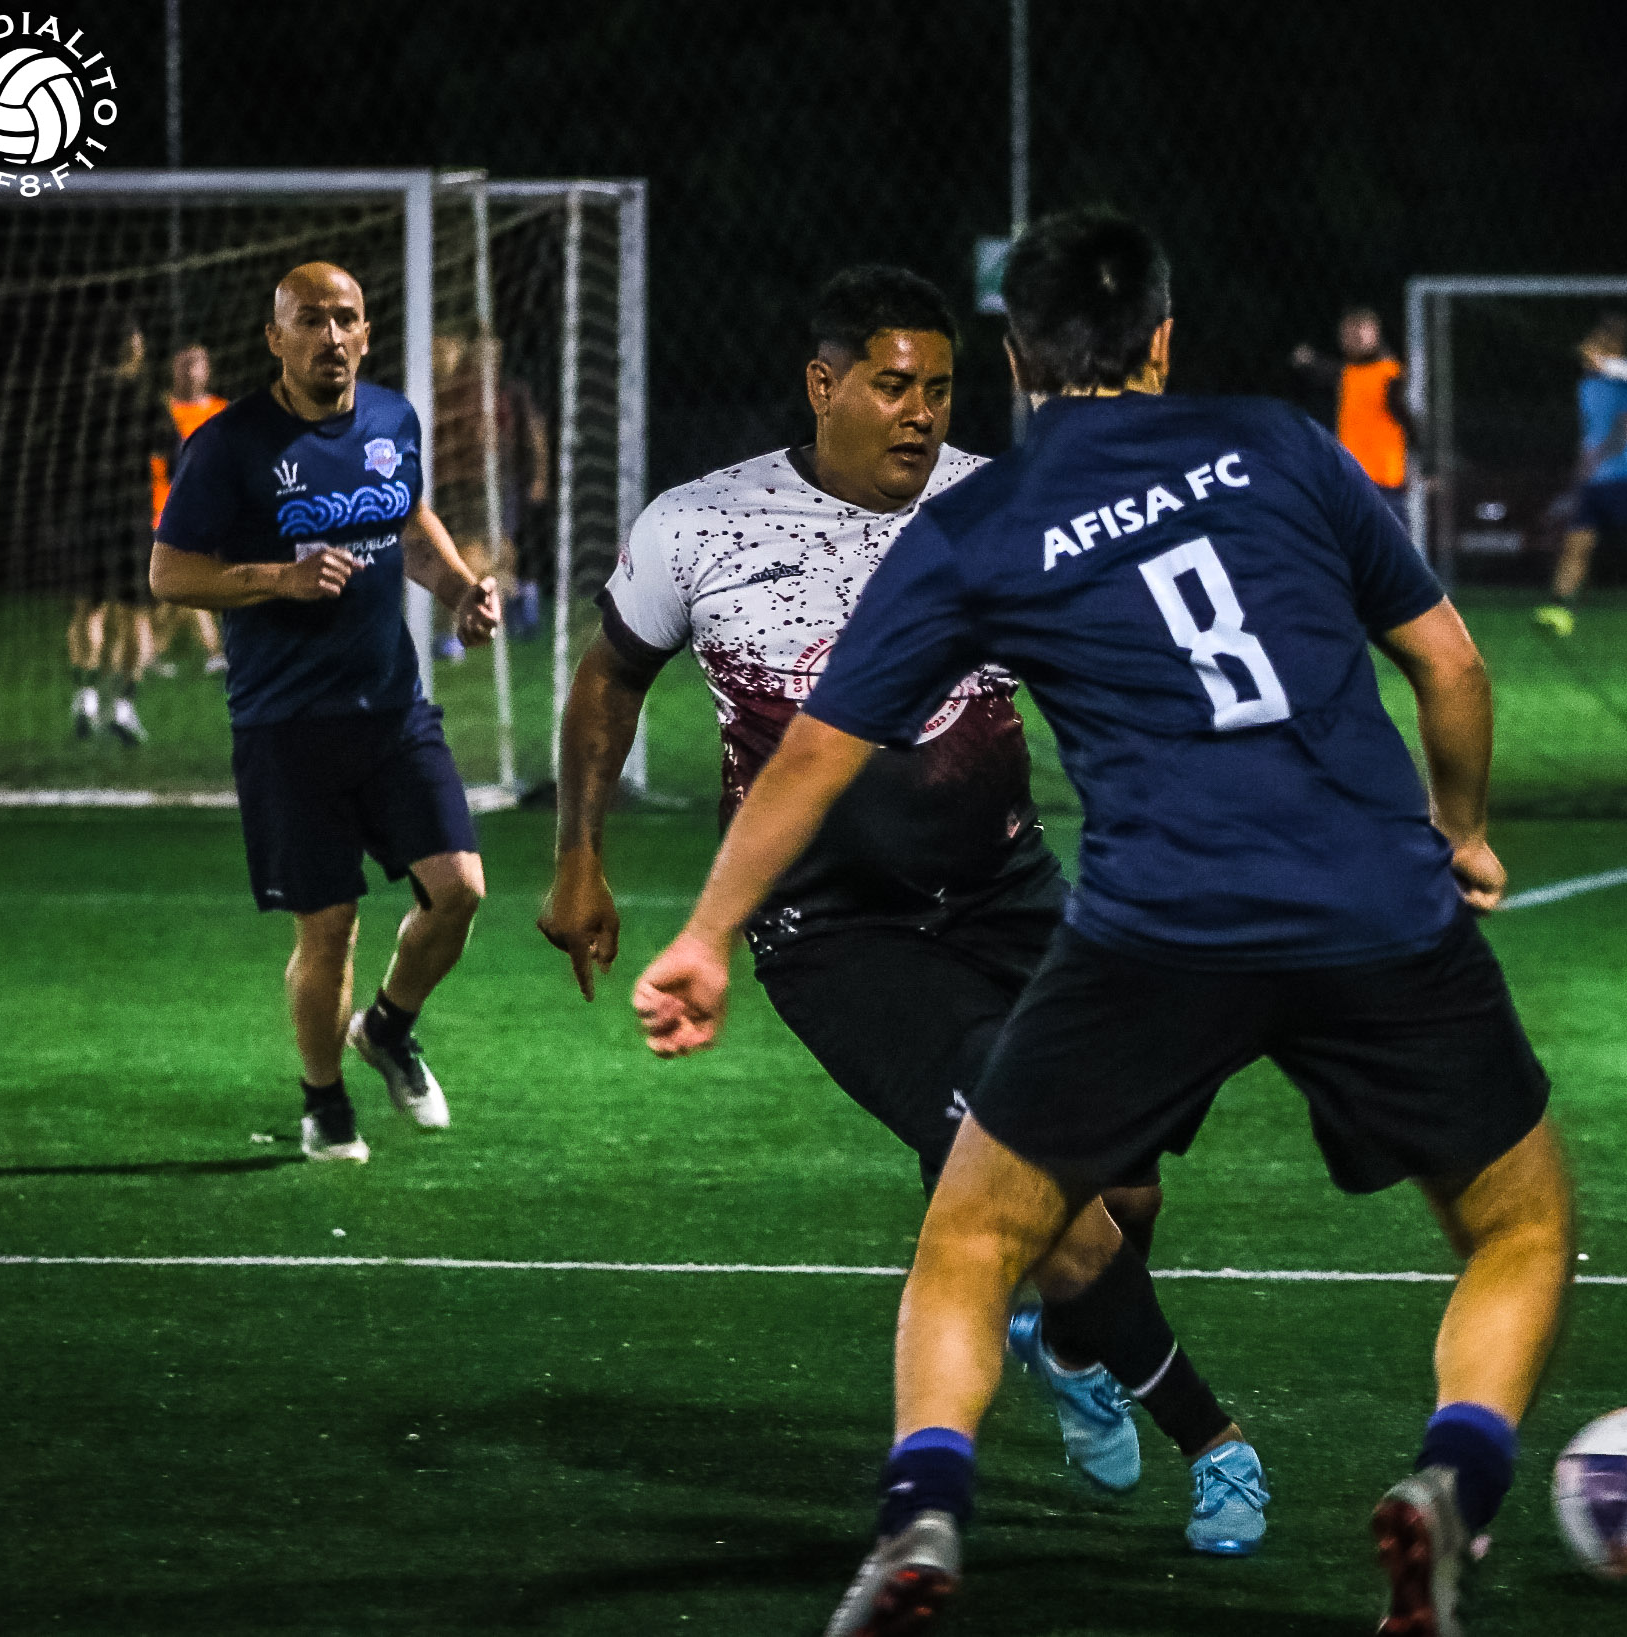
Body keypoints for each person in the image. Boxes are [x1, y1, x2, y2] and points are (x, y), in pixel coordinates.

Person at [630, 210, 1573, 1636]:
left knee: (969, 1240)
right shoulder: (1280, 441)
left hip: (1158, 933)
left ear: (1014, 355)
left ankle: (923, 1514)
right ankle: (1453, 1478)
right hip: (1375, 904)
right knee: (1516, 1222)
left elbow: (817, 748)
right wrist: (1462, 831)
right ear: (1164, 339)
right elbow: (1449, 664)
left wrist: (705, 934)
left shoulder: (980, 523)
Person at [536, 265, 1266, 1554]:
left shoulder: (999, 506)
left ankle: (1067, 1339)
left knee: (1126, 1183)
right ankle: (1214, 1440)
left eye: (938, 386)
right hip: (835, 933)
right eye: (891, 384)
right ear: (822, 385)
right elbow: (609, 677)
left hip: (1010, 891)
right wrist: (577, 855)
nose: (920, 410)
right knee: (1015, 1151)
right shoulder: (699, 525)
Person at [150, 262, 501, 1163]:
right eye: (309, 320)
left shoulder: (392, 419)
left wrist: (462, 590)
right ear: (276, 339)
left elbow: (408, 520)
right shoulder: (228, 445)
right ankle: (323, 1100)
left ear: (367, 334)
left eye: (345, 318)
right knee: (330, 924)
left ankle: (385, 1028)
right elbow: (170, 572)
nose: (330, 336)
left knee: (460, 890)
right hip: (286, 724)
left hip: (392, 708)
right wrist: (280, 578)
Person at [58, 323, 176, 746]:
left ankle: (86, 697)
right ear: (135, 352)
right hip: (131, 516)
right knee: (136, 615)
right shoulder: (145, 398)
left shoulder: (81, 396)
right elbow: (172, 450)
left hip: (88, 513)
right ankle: (124, 706)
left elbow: (59, 451)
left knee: (88, 609)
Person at [1535, 313, 1627, 638]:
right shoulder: (1587, 384)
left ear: (1614, 346)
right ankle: (1559, 609)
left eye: (1595, 343)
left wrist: (1596, 459)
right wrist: (1582, 469)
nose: (1586, 350)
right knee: (1576, 543)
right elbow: (1589, 433)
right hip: (1592, 482)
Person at [430, 328, 551, 657]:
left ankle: (477, 624)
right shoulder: (453, 390)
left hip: (499, 481)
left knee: (492, 552)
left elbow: (535, 432)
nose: (488, 358)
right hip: (459, 485)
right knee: (476, 555)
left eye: (493, 352)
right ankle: (509, 602)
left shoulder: (509, 390)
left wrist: (539, 476)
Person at [149, 344, 231, 678]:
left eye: (195, 363)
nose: (189, 370)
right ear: (172, 368)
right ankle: (214, 653)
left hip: (210, 511)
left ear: (208, 369)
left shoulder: (222, 411)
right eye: (183, 363)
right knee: (188, 580)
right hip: (164, 510)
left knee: (184, 585)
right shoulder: (160, 410)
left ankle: (149, 651)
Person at [1291, 305, 1415, 520]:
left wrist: (1424, 461)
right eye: (1347, 334)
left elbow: (1406, 418)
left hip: (1384, 481)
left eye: (1359, 332)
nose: (1352, 339)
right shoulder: (1350, 373)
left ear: (1375, 333)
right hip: (1353, 480)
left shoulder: (1389, 373)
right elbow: (1328, 372)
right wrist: (1309, 361)